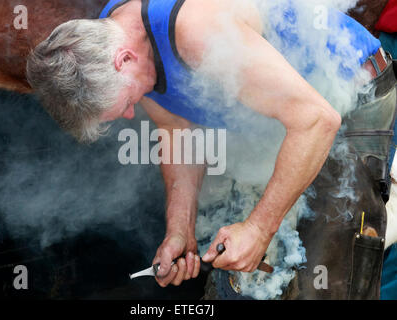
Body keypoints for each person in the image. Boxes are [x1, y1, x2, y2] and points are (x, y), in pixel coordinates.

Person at [26, 0, 392, 289]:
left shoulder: (196, 29)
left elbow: (316, 120)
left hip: (348, 97)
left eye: (125, 104)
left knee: (327, 269)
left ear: (124, 59)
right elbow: (176, 128)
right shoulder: (113, 30)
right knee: (248, 273)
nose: (130, 114)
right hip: (277, 118)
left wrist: (258, 229)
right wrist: (179, 231)